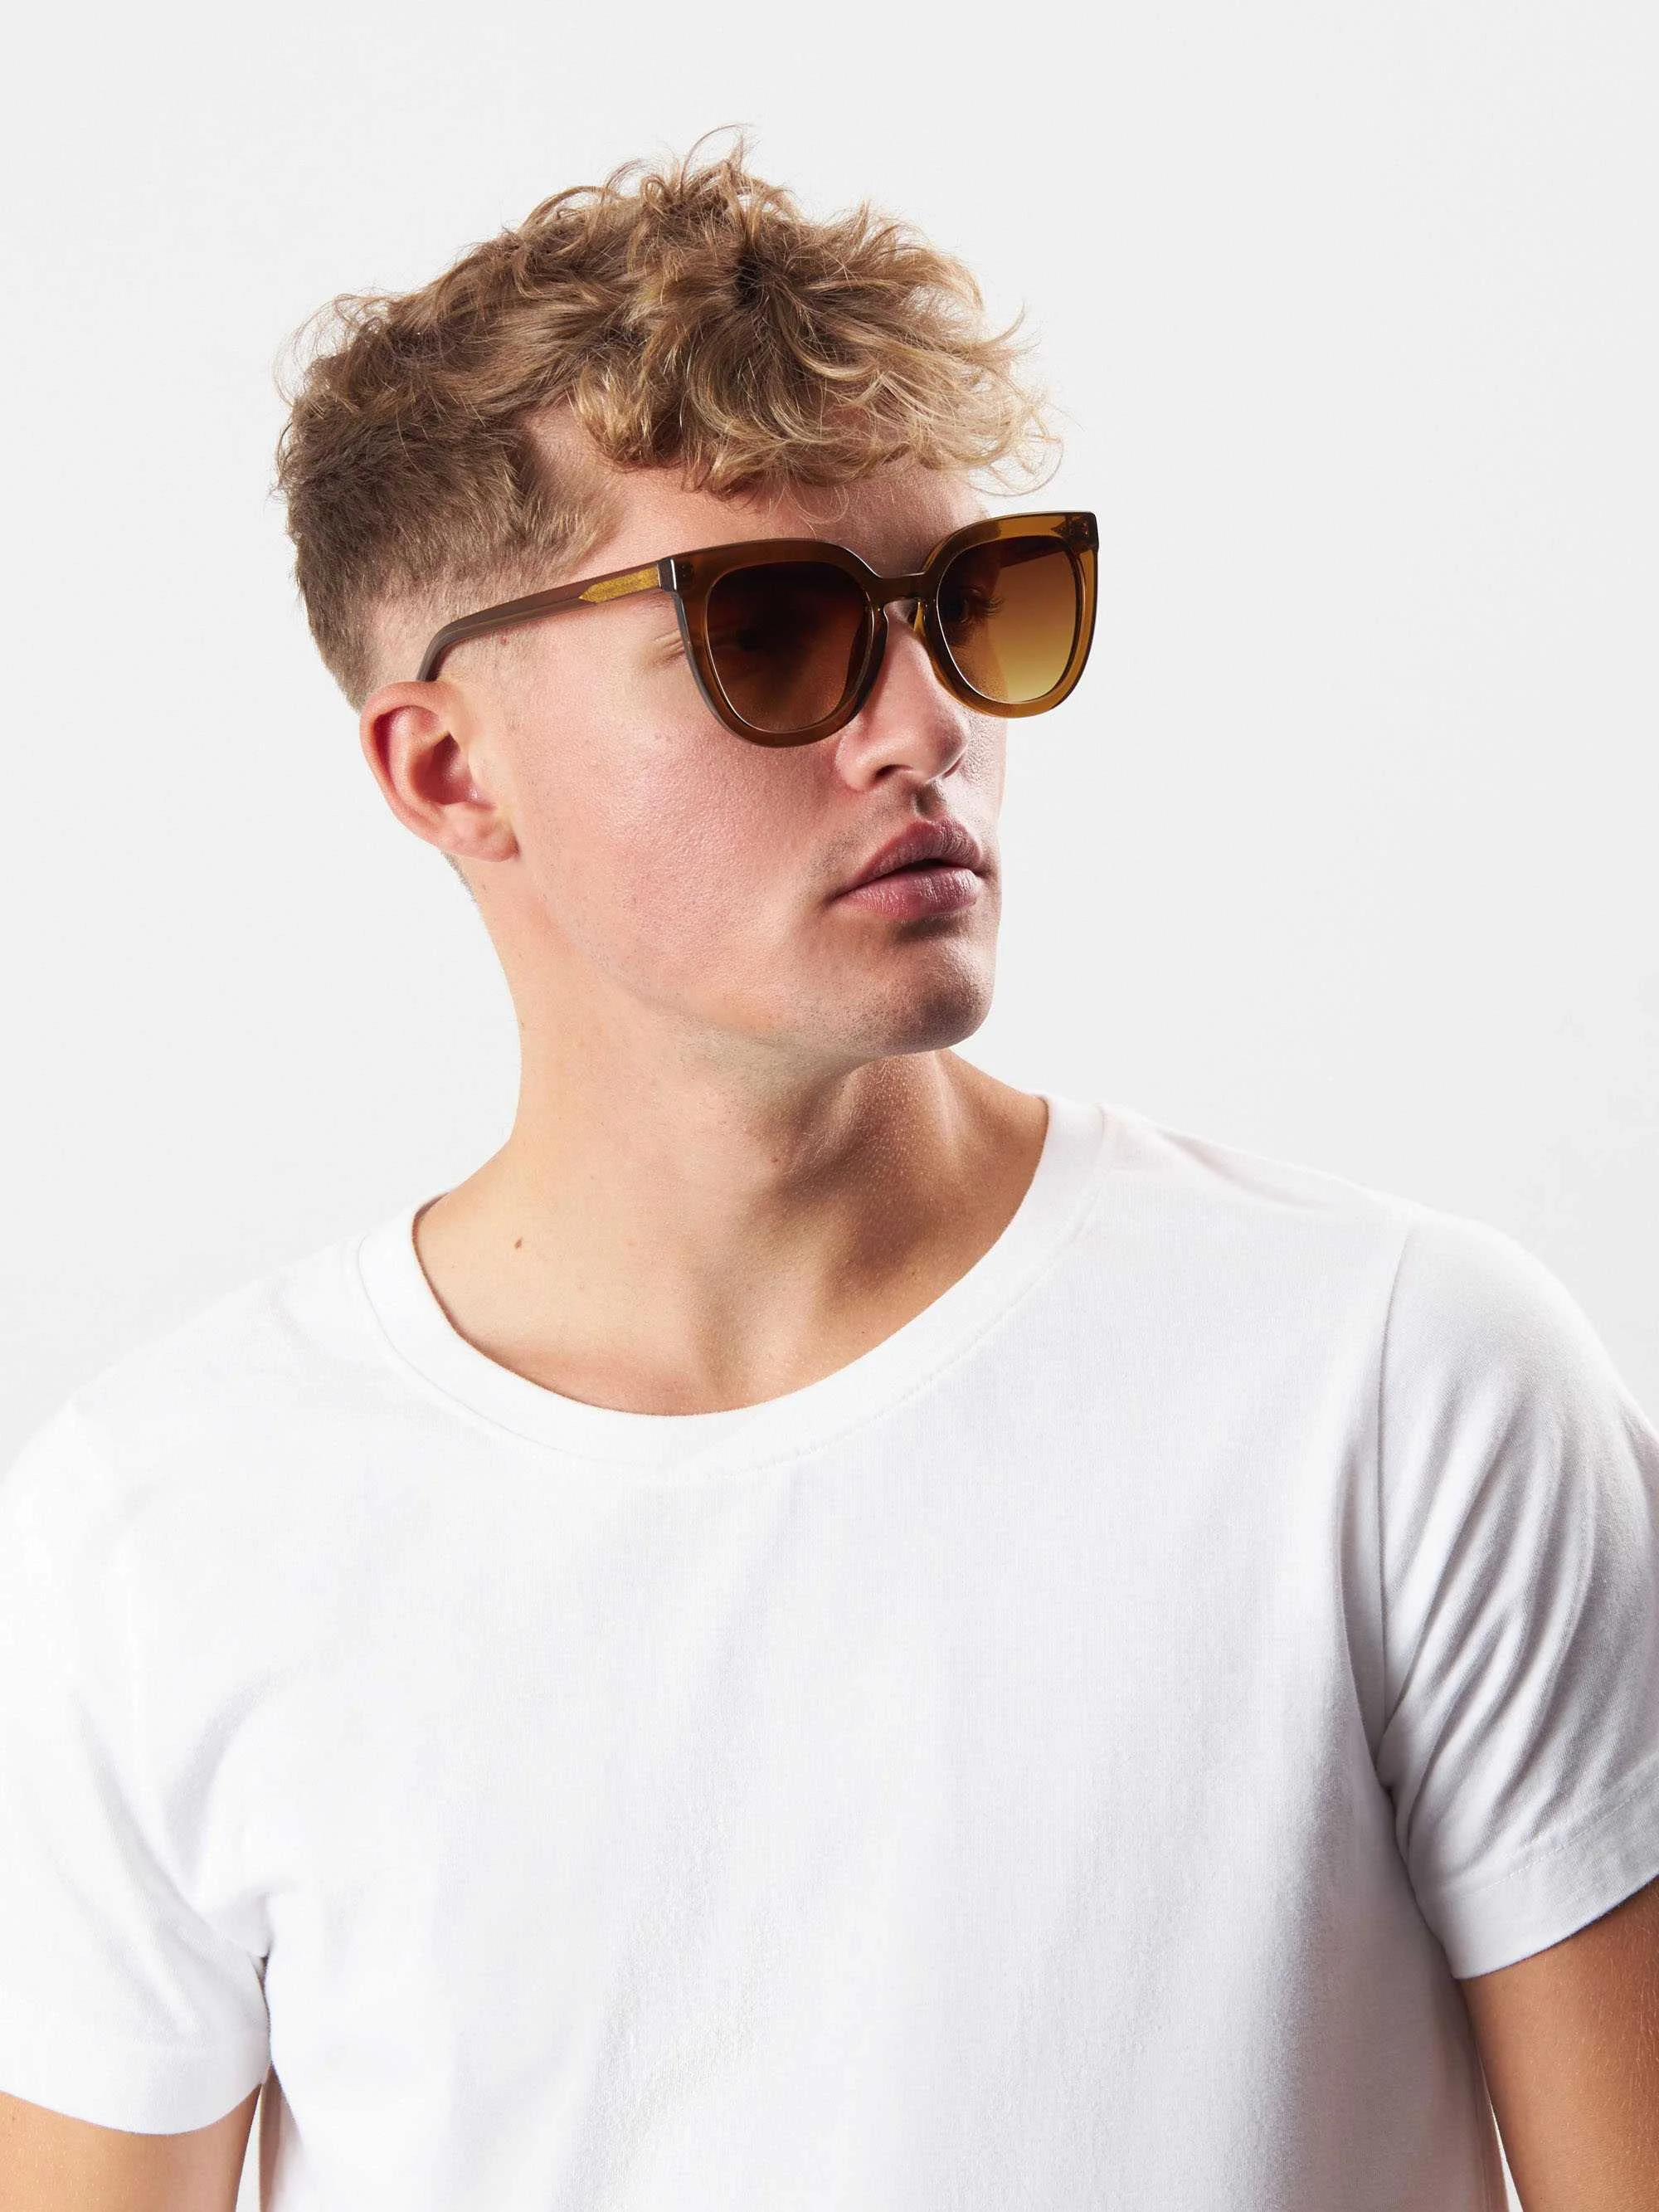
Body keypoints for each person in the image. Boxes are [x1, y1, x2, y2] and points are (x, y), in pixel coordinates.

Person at [2, 141, 1657, 2212]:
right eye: (771, 632)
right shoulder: (165, 1526)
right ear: (448, 768)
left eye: (971, 606)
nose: (924, 722)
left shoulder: (1400, 1385)